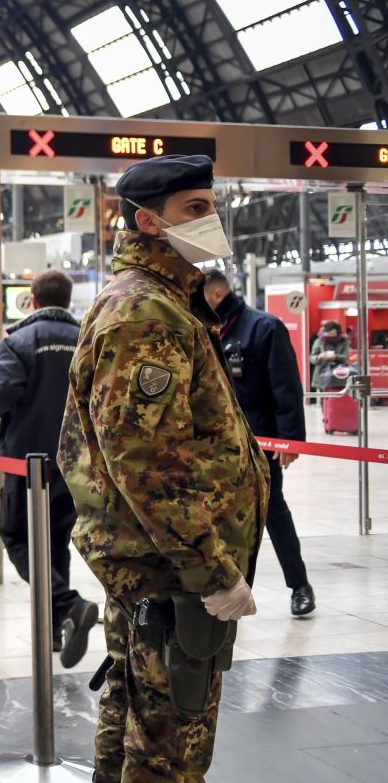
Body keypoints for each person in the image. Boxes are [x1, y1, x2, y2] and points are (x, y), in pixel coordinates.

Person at [58, 154, 269, 781]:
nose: (212, 219)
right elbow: (147, 462)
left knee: (136, 719)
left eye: (210, 205)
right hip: (172, 571)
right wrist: (211, 570)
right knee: (172, 747)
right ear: (150, 222)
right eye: (195, 210)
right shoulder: (147, 311)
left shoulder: (164, 301)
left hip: (154, 564)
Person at [0, 270, 97, 667]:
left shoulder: (20, 341)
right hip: (72, 462)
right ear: (66, 300)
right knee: (55, 540)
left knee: (16, 536)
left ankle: (69, 605)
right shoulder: (87, 338)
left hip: (24, 462)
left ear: (31, 300)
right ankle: (54, 629)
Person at [204, 270, 315, 617]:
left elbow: (286, 387)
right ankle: (223, 589)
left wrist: (289, 439)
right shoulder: (203, 330)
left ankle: (299, 586)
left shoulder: (263, 328)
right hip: (215, 447)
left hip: (259, 445)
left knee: (273, 513)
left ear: (218, 293)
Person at [310, 320, 350, 390]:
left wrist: (335, 357)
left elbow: (345, 357)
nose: (330, 335)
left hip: (338, 374)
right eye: (328, 333)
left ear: (337, 332)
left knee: (336, 398)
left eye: (333, 333)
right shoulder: (319, 341)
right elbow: (312, 358)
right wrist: (319, 357)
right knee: (321, 398)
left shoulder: (344, 341)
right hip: (321, 375)